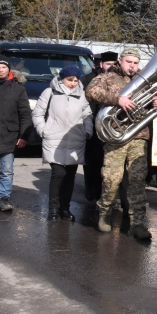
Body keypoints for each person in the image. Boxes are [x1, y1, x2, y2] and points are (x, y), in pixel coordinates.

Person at [86, 48, 157, 239]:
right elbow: (90, 91)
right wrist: (116, 99)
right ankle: (104, 213)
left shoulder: (144, 79)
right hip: (116, 135)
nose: (133, 66)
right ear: (120, 61)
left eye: (136, 63)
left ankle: (138, 223)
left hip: (138, 135)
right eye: (129, 62)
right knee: (112, 179)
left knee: (137, 181)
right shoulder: (108, 77)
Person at [32, 66, 93, 221]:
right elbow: (38, 112)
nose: (72, 83)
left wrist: (87, 131)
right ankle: (53, 209)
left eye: (76, 80)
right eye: (69, 80)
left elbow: (87, 115)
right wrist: (43, 130)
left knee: (70, 177)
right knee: (58, 174)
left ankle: (65, 209)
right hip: (54, 139)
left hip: (75, 139)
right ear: (62, 79)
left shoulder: (82, 95)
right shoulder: (50, 92)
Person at [0, 53, 32, 212]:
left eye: (4, 67)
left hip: (9, 136)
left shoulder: (18, 88)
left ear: (9, 69)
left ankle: (3, 198)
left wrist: (23, 136)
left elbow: (25, 114)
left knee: (7, 171)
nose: (1, 70)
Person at [81, 52, 117, 202]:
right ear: (101, 64)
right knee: (93, 161)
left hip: (112, 125)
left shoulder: (118, 80)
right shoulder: (89, 79)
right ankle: (91, 190)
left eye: (114, 64)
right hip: (95, 124)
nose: (111, 67)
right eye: (108, 64)